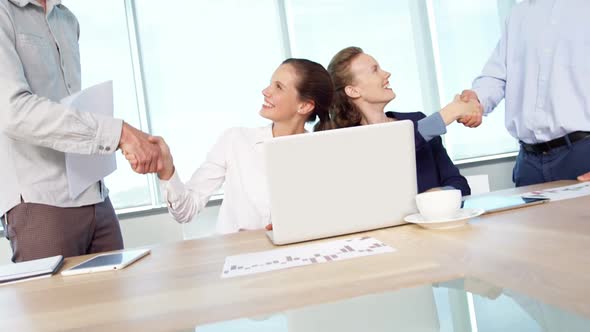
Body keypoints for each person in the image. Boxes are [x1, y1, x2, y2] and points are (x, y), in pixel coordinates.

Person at [0, 0, 160, 262]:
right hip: (40, 198)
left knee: (117, 299)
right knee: (55, 304)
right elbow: (13, 111)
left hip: (92, 192)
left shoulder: (67, 19)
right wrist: (118, 133)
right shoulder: (4, 13)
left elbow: (67, 106)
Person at [127, 59, 334, 234]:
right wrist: (167, 170)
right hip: (239, 263)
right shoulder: (236, 140)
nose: (265, 91)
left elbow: (327, 219)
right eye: (270, 83)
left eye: (278, 87)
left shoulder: (320, 153)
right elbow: (185, 211)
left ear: (304, 106)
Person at [458, 0, 590, 187]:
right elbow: (497, 75)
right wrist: (476, 99)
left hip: (582, 154)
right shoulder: (519, 13)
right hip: (529, 164)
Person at [327, 47, 478, 196]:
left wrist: (438, 195)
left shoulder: (417, 120)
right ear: (353, 91)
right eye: (375, 70)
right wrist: (452, 111)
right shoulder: (349, 141)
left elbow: (460, 185)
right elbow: (390, 149)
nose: (386, 73)